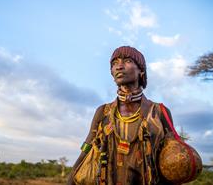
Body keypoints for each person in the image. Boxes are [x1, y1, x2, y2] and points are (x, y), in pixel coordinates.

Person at [68, 46, 175, 185]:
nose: (119, 67)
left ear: (141, 70)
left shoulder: (159, 112)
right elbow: (87, 146)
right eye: (114, 63)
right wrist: (71, 177)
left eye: (128, 61)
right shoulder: (103, 112)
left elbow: (173, 156)